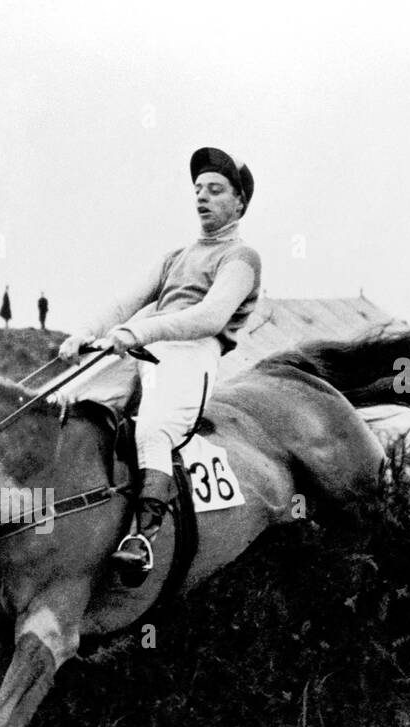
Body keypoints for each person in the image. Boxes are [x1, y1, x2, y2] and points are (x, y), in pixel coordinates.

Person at [53, 146, 261, 582]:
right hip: (144, 350)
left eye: (215, 190)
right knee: (63, 402)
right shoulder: (175, 257)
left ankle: (143, 538)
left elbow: (210, 316)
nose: (202, 197)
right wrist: (85, 332)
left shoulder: (241, 259)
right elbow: (125, 302)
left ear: (239, 201)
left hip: (192, 354)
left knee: (152, 430)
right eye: (198, 189)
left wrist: (143, 331)